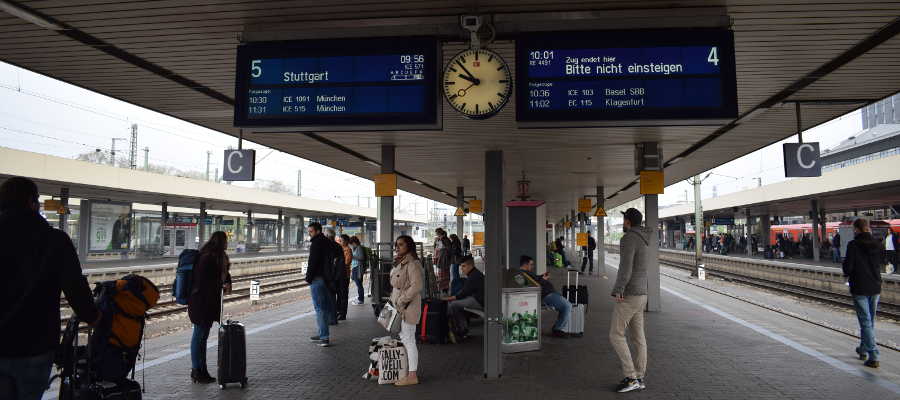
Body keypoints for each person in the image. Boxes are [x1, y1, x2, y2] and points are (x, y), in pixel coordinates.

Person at [0, 177, 101, 400]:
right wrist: (93, 317)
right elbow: (75, 287)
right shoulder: (54, 239)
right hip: (34, 344)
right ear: (31, 202)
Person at [610, 208, 650, 393]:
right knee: (638, 337)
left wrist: (618, 289)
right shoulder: (645, 238)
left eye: (624, 219)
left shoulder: (628, 239)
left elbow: (625, 268)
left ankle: (631, 377)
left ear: (627, 221)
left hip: (631, 294)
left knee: (616, 334)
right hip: (642, 294)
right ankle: (639, 377)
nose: (623, 222)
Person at [187, 231, 232, 384]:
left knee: (202, 337)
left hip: (207, 303)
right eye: (225, 241)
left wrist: (226, 282)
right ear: (220, 242)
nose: (227, 244)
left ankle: (202, 370)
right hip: (201, 303)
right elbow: (204, 280)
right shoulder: (207, 257)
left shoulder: (216, 257)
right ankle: (197, 370)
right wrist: (220, 284)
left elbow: (223, 274)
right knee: (199, 336)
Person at [842, 218, 884, 368]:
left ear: (856, 229)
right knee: (869, 321)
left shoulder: (853, 245)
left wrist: (846, 269)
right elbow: (881, 262)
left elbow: (848, 268)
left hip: (860, 287)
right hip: (875, 286)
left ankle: (874, 356)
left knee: (865, 321)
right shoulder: (877, 244)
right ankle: (863, 349)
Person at [391, 235, 424, 386]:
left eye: (401, 244)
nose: (397, 247)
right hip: (401, 307)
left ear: (409, 246)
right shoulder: (402, 262)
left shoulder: (412, 264)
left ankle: (412, 375)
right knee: (405, 338)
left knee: (409, 340)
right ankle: (409, 371)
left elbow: (417, 286)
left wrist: (401, 300)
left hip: (408, 308)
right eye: (396, 245)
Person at [515, 255, 571, 338]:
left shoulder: (526, 273)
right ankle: (557, 329)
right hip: (546, 295)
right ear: (525, 264)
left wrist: (542, 276)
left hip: (549, 293)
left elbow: (535, 280)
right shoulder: (521, 274)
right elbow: (530, 286)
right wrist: (543, 279)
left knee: (566, 305)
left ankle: (558, 328)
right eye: (531, 264)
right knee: (567, 305)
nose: (532, 266)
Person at [305, 222, 334, 347]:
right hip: (327, 279)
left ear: (317, 231)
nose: (309, 234)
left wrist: (308, 278)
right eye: (309, 232)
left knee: (319, 308)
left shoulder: (316, 243)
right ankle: (322, 333)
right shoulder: (328, 242)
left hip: (317, 278)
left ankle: (324, 337)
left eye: (311, 231)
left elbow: (312, 262)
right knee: (325, 307)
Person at [442, 255, 483, 340]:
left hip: (479, 301)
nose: (462, 269)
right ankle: (462, 328)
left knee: (453, 305)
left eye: (464, 266)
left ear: (470, 265)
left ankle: (461, 330)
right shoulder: (475, 273)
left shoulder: (473, 277)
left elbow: (461, 295)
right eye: (461, 266)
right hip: (479, 299)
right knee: (458, 304)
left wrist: (445, 299)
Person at [336, 234, 353, 320]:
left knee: (343, 295)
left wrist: (337, 263)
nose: (339, 242)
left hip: (345, 275)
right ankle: (338, 311)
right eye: (339, 241)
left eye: (341, 241)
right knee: (339, 294)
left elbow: (347, 262)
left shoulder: (348, 250)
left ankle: (343, 314)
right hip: (339, 275)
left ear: (346, 241)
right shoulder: (340, 249)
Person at [433, 228, 452, 294]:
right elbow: (435, 248)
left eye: (437, 233)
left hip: (444, 258)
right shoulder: (439, 239)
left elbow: (449, 249)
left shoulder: (445, 239)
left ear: (439, 233)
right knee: (442, 274)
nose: (436, 235)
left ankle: (444, 288)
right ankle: (443, 288)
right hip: (441, 258)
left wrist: (442, 248)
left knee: (444, 274)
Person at [349, 236, 366, 305]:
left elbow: (362, 257)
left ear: (354, 242)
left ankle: (361, 299)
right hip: (355, 267)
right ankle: (360, 298)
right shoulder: (355, 248)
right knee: (358, 284)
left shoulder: (359, 248)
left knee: (359, 284)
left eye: (351, 243)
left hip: (358, 268)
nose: (351, 245)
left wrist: (353, 256)